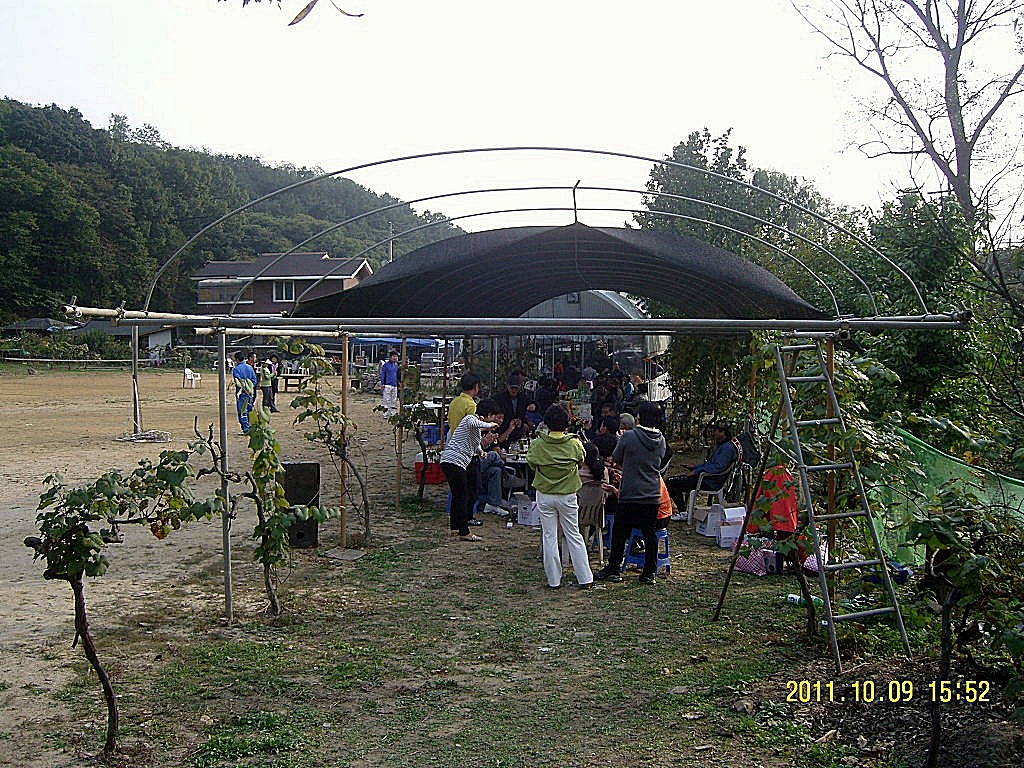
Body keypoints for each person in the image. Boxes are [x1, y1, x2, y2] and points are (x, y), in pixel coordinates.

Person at [595, 401, 666, 585]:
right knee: (649, 534)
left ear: (639, 417)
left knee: (620, 532)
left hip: (630, 492)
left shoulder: (629, 436)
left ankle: (614, 569)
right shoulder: (661, 439)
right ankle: (649, 572)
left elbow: (617, 457)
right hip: (652, 493)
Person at [526, 404, 594, 589]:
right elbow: (581, 461)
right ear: (567, 423)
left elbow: (532, 464)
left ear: (547, 423)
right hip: (567, 495)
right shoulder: (574, 444)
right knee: (574, 534)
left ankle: (553, 580)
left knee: (549, 536)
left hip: (544, 495)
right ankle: (585, 578)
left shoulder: (537, 444)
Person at [440, 399, 504, 541]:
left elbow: (475, 444)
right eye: (493, 416)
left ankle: (455, 527)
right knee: (462, 496)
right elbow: (475, 423)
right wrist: (490, 425)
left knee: (458, 496)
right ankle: (464, 531)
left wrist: (481, 452)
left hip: (454, 463)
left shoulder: (475, 430)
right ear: (488, 414)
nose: (494, 419)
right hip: (454, 462)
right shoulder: (470, 419)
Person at [665, 420, 739, 515]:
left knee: (671, 483)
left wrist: (697, 471)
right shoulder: (721, 445)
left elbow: (717, 467)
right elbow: (711, 464)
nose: (713, 433)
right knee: (673, 481)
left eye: (716, 431)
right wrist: (696, 467)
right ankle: (682, 510)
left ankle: (683, 512)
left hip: (709, 481)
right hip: (706, 478)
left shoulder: (727, 448)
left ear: (723, 432)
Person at [494, 372, 533, 447]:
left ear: (520, 387)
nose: (514, 390)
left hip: (518, 433)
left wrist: (533, 406)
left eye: (516, 388)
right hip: (504, 432)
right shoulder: (499, 398)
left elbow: (533, 404)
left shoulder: (523, 397)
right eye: (512, 388)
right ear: (507, 386)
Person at [232, 350, 258, 435]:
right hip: (250, 393)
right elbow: (254, 380)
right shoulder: (250, 367)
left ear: (237, 359)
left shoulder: (236, 369)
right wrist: (250, 388)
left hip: (242, 393)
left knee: (242, 411)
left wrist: (244, 389)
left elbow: (238, 382)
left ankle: (246, 429)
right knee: (249, 410)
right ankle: (251, 427)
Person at [379, 350, 400, 417]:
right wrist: (382, 383)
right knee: (386, 399)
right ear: (390, 357)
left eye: (396, 356)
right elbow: (382, 374)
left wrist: (398, 384)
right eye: (394, 356)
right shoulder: (385, 365)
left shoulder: (396, 365)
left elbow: (397, 375)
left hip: (394, 385)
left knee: (394, 399)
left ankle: (392, 412)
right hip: (387, 385)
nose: (395, 358)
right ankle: (386, 413)